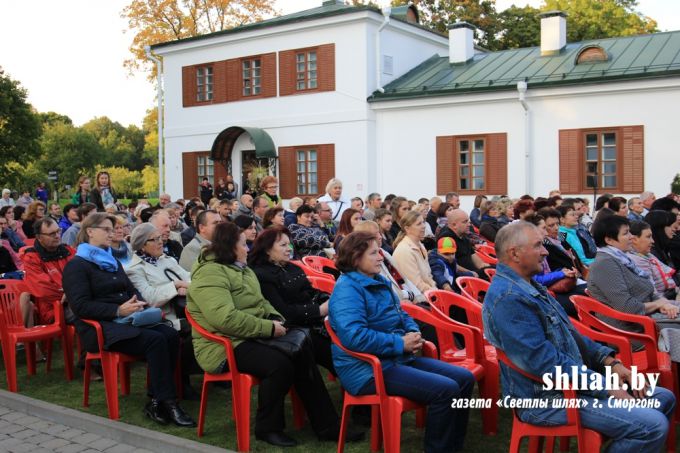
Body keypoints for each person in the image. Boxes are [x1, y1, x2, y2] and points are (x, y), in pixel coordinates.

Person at [483, 221, 675, 452]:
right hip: (545, 400)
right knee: (651, 427)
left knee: (662, 397)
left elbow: (572, 335)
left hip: (572, 387)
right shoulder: (509, 298)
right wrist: (606, 387)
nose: (545, 251)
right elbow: (543, 362)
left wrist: (611, 363)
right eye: (537, 245)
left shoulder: (528, 285)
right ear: (514, 253)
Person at [188, 221, 360, 447]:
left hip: (249, 335)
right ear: (229, 247)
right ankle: (267, 428)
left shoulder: (242, 269)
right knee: (280, 364)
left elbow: (262, 303)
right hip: (222, 346)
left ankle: (327, 424)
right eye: (243, 244)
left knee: (303, 349)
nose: (248, 249)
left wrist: (275, 319)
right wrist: (268, 328)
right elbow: (224, 319)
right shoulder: (209, 274)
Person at [330, 231, 474, 453]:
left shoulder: (378, 281)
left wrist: (413, 333)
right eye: (374, 253)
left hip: (395, 358)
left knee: (464, 378)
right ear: (355, 257)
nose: (381, 257)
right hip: (367, 369)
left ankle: (453, 446)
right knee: (445, 390)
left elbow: (402, 314)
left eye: (379, 251)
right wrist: (400, 343)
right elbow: (354, 336)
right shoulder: (347, 289)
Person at [62, 213, 195, 427]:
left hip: (127, 320)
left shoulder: (110, 260)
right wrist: (117, 310)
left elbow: (132, 290)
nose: (112, 233)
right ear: (90, 232)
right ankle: (167, 401)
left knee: (169, 334)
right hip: (101, 329)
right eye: (106, 229)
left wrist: (139, 305)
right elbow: (80, 306)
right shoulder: (77, 266)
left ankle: (156, 399)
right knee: (156, 340)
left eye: (112, 229)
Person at [249, 227, 335, 374]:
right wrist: (319, 310)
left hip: (312, 321)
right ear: (267, 249)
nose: (289, 249)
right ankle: (362, 386)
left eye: (289, 244)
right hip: (292, 328)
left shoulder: (292, 267)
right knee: (333, 350)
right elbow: (283, 312)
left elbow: (310, 292)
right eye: (283, 245)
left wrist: (328, 300)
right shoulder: (261, 275)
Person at [126, 223, 191, 332]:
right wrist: (175, 285)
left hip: (189, 309)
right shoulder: (134, 270)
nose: (161, 242)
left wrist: (185, 287)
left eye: (160, 237)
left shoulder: (167, 260)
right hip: (167, 321)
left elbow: (188, 278)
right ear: (142, 245)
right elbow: (149, 299)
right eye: (155, 239)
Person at [21, 218, 76, 324]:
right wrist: (73, 293)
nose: (57, 235)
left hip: (77, 300)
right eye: (51, 234)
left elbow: (84, 275)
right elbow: (44, 290)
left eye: (58, 231)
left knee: (104, 307)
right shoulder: (32, 258)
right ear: (39, 237)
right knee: (92, 312)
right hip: (53, 309)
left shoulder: (69, 251)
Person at [628, 221, 678, 300]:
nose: (652, 241)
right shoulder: (637, 260)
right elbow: (653, 296)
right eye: (648, 237)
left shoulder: (647, 254)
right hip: (664, 304)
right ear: (634, 239)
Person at [392, 211, 437, 294]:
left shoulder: (420, 245)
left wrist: (435, 288)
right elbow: (416, 284)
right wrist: (437, 294)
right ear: (407, 229)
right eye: (419, 224)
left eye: (423, 222)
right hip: (418, 299)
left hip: (428, 293)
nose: (423, 226)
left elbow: (428, 276)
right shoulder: (404, 250)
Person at [437, 209, 490, 277]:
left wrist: (488, 267)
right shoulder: (446, 238)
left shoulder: (464, 237)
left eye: (468, 221)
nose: (469, 224)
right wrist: (472, 273)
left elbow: (478, 263)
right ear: (454, 225)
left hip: (474, 273)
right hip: (463, 277)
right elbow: (451, 264)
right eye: (465, 222)